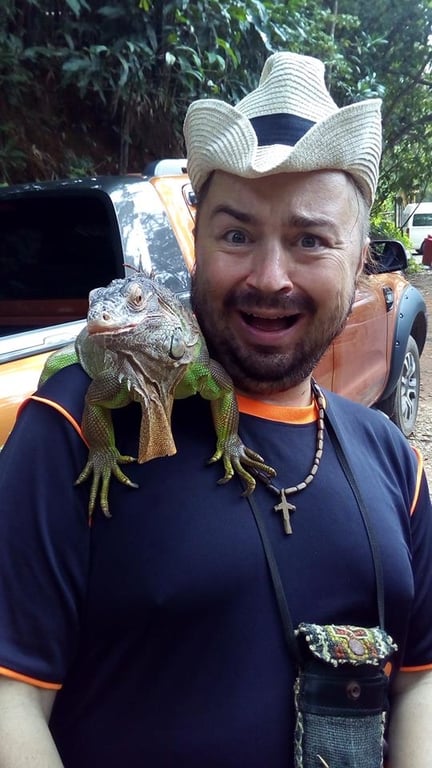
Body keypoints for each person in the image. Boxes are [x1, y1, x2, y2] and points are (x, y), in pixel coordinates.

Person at [0, 51, 431, 768]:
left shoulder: (393, 458)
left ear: (361, 258)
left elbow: (419, 679)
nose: (269, 276)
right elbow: (9, 695)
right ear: (195, 243)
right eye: (236, 234)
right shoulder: (73, 427)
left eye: (310, 240)